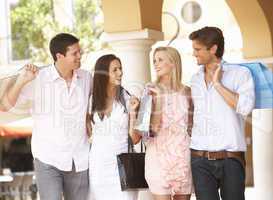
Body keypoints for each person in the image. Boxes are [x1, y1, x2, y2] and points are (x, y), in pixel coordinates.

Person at [1, 33, 92, 200]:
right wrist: (21, 81)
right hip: (48, 159)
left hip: (79, 159)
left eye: (80, 51)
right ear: (59, 56)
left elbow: (94, 106)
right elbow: (5, 105)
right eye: (75, 53)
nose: (80, 56)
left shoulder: (86, 78)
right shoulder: (38, 79)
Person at [189, 26, 255, 200]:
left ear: (213, 49)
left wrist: (218, 84)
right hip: (199, 158)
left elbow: (245, 107)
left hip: (230, 159)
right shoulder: (195, 79)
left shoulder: (240, 74)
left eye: (197, 49)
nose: (194, 54)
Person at [143, 47, 193, 200]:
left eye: (160, 60)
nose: (156, 64)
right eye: (154, 61)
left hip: (183, 156)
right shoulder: (149, 90)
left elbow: (191, 127)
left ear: (173, 63)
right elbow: (152, 129)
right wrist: (158, 99)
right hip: (158, 155)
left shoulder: (187, 92)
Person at [87, 54, 141, 200]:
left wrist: (133, 113)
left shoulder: (129, 99)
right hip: (97, 165)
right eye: (115, 69)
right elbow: (86, 130)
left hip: (123, 165)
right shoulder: (92, 100)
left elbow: (135, 139)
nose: (120, 73)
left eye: (120, 68)